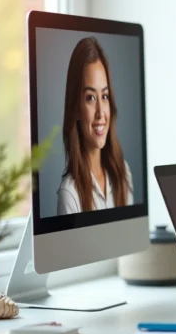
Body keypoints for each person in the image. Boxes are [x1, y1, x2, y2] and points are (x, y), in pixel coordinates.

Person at [57, 36, 133, 215]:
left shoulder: (123, 173)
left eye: (104, 96)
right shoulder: (70, 194)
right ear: (75, 108)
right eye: (90, 97)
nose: (101, 113)